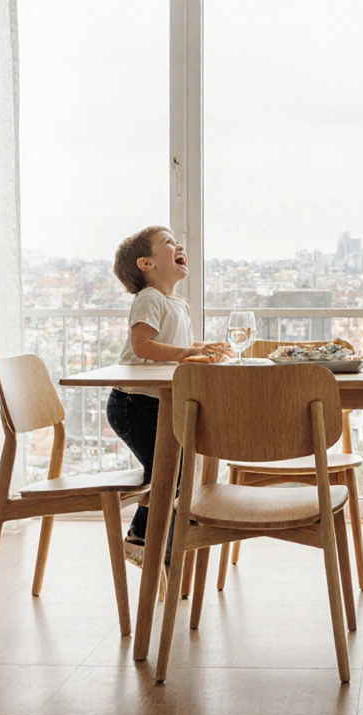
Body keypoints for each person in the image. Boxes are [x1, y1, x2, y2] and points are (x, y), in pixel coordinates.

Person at [107, 225, 230, 567]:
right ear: (146, 263)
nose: (178, 245)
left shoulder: (177, 304)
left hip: (158, 403)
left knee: (171, 474)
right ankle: (148, 543)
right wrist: (186, 354)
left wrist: (200, 348)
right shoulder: (149, 299)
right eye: (168, 243)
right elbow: (143, 346)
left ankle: (152, 543)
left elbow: (175, 346)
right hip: (135, 404)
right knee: (169, 473)